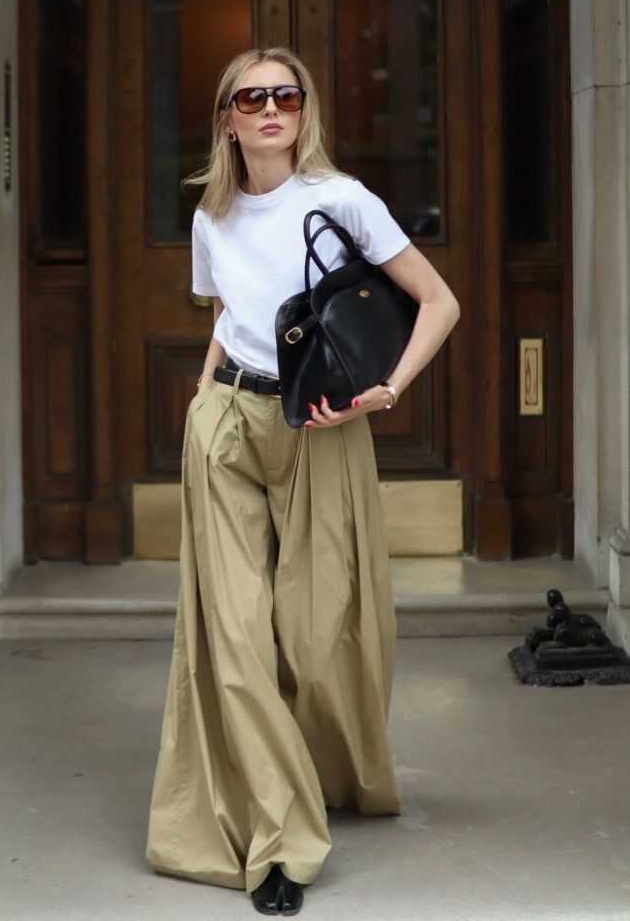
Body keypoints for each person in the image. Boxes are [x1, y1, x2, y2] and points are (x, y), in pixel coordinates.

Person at [146, 47, 460, 916]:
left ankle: (321, 773)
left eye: (287, 94)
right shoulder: (211, 215)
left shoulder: (341, 200)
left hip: (320, 427)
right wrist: (206, 392)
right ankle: (282, 839)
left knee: (315, 633)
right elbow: (228, 312)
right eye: (253, 97)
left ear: (303, 110)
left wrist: (388, 389)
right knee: (237, 641)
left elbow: (439, 302)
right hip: (228, 425)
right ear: (228, 118)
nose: (272, 108)